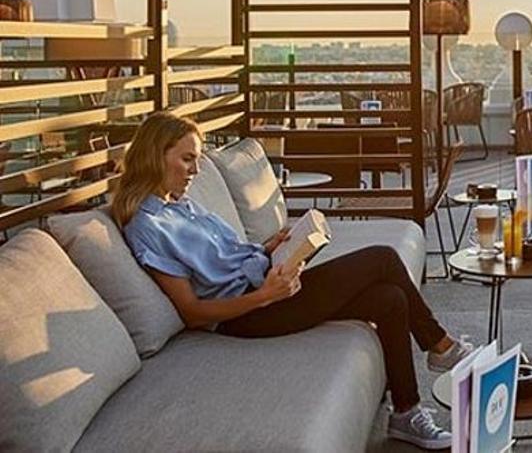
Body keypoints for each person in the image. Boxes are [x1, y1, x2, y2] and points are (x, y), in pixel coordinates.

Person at [113, 112, 466, 450]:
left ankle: (406, 413)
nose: (196, 169)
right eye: (188, 159)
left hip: (265, 283)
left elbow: (226, 256)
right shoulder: (148, 226)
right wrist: (265, 295)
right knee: (382, 259)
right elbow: (192, 312)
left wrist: (271, 248)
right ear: (155, 156)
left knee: (390, 298)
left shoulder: (181, 204)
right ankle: (442, 347)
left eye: (198, 159)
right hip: (246, 314)